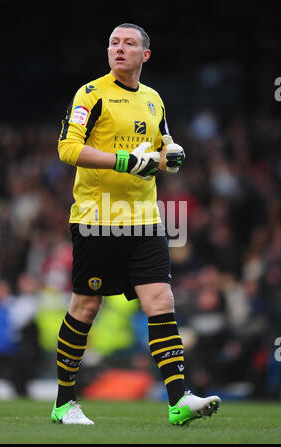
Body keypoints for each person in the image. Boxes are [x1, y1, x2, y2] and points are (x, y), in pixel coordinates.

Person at [51, 23, 221, 426]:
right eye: (113, 43)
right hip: (97, 217)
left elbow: (164, 148)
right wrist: (122, 161)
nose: (119, 49)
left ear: (145, 55)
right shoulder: (91, 94)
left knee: (161, 301)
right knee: (86, 307)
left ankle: (179, 399)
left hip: (144, 219)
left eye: (129, 44)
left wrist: (172, 158)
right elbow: (67, 148)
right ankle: (64, 403)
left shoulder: (153, 100)